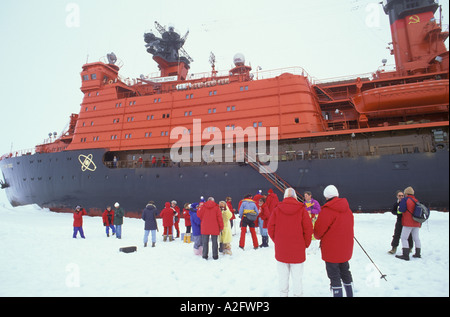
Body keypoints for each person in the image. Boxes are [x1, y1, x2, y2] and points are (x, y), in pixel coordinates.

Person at [268, 188, 313, 297]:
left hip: (282, 250)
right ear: (294, 197)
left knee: (283, 277)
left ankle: (283, 295)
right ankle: (298, 295)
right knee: (297, 278)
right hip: (297, 250)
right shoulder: (302, 210)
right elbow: (308, 229)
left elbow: (270, 228)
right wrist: (305, 244)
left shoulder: (277, 209)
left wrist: (278, 241)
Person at [314, 185, 354, 297]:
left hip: (331, 251)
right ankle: (350, 294)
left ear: (326, 197)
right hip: (345, 249)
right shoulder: (348, 210)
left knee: (334, 276)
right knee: (346, 272)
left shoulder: (327, 211)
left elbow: (317, 233)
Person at [396, 186, 422, 261]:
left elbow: (401, 209)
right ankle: (418, 253)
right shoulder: (416, 200)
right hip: (416, 222)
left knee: (404, 238)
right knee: (416, 238)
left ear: (406, 193)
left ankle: (405, 255)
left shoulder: (405, 200)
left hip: (408, 222)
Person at [388, 190, 413, 254]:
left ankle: (410, 248)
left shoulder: (407, 202)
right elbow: (393, 211)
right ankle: (394, 248)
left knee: (409, 235)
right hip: (399, 221)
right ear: (397, 196)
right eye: (399, 196)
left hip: (407, 221)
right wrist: (397, 213)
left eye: (402, 195)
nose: (401, 197)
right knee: (396, 234)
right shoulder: (396, 204)